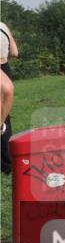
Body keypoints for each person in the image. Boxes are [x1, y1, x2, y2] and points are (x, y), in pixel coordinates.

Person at [1, 21, 19, 175]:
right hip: (5, 68)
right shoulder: (3, 26)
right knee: (4, 118)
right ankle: (7, 164)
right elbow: (14, 52)